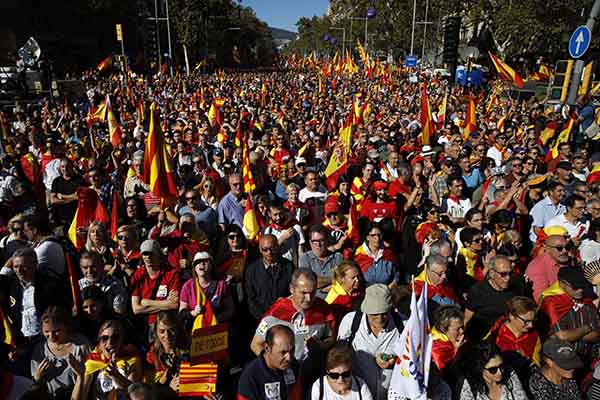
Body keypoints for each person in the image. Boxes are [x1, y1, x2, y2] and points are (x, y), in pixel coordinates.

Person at [251, 269, 335, 379]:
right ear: (292, 289)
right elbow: (255, 344)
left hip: (313, 375)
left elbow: (330, 338)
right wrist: (273, 366)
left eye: (312, 292)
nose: (309, 299)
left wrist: (319, 346)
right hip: (284, 377)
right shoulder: (276, 313)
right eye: (303, 293)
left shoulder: (323, 309)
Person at [337, 284, 403, 400]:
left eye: (384, 313)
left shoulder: (403, 324)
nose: (380, 318)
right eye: (374, 314)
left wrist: (396, 361)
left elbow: (415, 358)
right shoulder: (350, 322)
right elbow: (339, 358)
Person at [70, 320, 143, 400]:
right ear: (99, 342)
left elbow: (135, 394)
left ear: (122, 340)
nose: (110, 342)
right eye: (105, 338)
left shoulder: (131, 357)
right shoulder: (93, 360)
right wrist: (80, 376)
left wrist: (116, 375)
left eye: (115, 337)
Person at [30, 306, 91, 400]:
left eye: (56, 331)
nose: (51, 336)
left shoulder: (81, 345)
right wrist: (38, 376)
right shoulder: (40, 349)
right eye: (47, 332)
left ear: (66, 326)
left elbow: (89, 376)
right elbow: (34, 386)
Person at [537, 266, 600, 354]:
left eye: (582, 286)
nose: (580, 290)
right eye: (575, 287)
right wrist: (585, 329)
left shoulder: (587, 302)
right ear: (562, 284)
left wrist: (573, 335)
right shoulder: (552, 303)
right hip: (561, 359)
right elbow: (562, 336)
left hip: (588, 357)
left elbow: (597, 334)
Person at [130, 239, 182, 343]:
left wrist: (146, 302)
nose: (148, 257)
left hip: (166, 324)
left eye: (151, 253)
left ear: (158, 254)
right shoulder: (138, 275)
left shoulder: (172, 274)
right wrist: (165, 303)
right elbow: (136, 309)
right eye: (145, 254)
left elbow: (175, 304)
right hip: (145, 325)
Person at [464, 255, 522, 340]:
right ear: (491, 273)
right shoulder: (478, 291)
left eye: (510, 273)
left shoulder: (515, 289)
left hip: (505, 338)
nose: (508, 278)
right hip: (481, 339)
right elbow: (466, 319)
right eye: (503, 274)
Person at [238, 325, 302, 400]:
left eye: (292, 350)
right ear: (267, 348)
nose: (289, 357)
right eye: (283, 352)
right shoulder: (250, 376)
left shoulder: (293, 365)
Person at [485, 296, 541, 383]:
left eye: (533, 321)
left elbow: (537, 364)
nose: (531, 325)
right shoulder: (495, 333)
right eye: (526, 321)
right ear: (512, 316)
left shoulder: (534, 336)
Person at [244, 234, 294, 322]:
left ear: (278, 247)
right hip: (260, 320)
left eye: (272, 248)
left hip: (285, 317)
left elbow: (293, 294)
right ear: (260, 250)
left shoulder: (289, 266)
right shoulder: (251, 271)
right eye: (265, 249)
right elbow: (251, 299)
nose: (269, 252)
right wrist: (263, 318)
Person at [455, 340, 528, 400]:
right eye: (493, 370)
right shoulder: (469, 385)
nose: (500, 372)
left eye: (501, 366)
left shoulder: (509, 373)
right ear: (480, 369)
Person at [179, 251, 234, 326]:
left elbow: (230, 310)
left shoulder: (221, 285)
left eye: (205, 261)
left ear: (211, 266)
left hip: (216, 328)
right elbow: (181, 312)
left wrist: (212, 319)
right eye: (198, 262)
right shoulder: (187, 286)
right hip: (195, 328)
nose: (202, 264)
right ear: (194, 268)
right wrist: (194, 312)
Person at [145, 311, 190, 395]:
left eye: (171, 330)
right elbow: (150, 390)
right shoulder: (152, 355)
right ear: (156, 332)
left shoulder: (189, 348)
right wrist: (169, 388)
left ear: (177, 329)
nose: (167, 336)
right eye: (162, 331)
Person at [525, 227, 570, 301]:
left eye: (567, 247)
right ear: (547, 248)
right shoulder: (536, 267)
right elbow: (541, 299)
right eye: (559, 248)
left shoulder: (570, 260)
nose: (565, 251)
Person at [78, 250, 128, 315]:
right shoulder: (77, 285)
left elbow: (118, 314)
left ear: (102, 265)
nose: (89, 271)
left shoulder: (115, 285)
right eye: (85, 268)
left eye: (94, 267)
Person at [299, 225, 344, 297]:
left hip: (335, 301)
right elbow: (309, 283)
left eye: (321, 240)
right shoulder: (305, 259)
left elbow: (343, 282)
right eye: (315, 241)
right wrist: (333, 280)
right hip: (314, 303)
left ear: (327, 241)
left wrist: (320, 285)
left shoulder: (338, 257)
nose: (318, 245)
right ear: (310, 242)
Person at [325, 261, 364, 325]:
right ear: (342, 278)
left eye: (358, 276)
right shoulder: (333, 298)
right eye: (353, 278)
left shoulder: (360, 290)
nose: (357, 280)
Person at [431, 306, 464, 374]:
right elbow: (446, 373)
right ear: (443, 329)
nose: (462, 331)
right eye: (458, 329)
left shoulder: (450, 338)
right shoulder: (436, 349)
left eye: (462, 327)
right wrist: (457, 350)